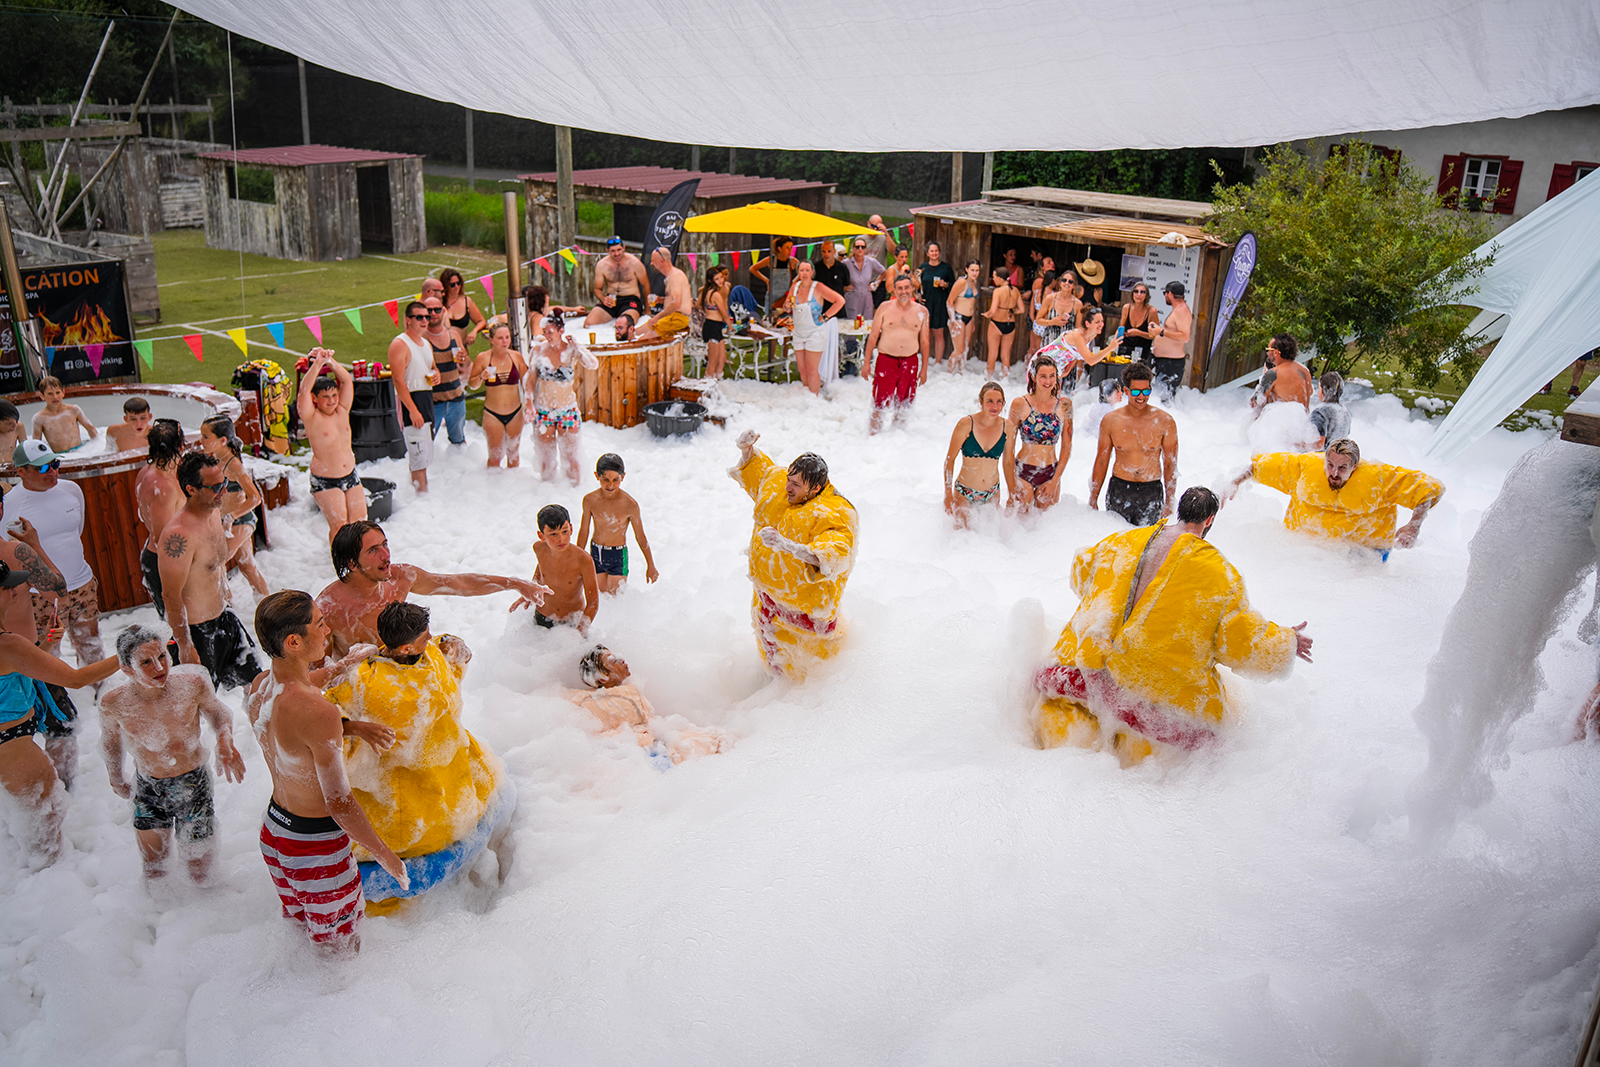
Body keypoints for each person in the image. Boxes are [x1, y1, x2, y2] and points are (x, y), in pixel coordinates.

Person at [1033, 487, 1312, 766]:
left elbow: (1082, 569)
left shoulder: (1124, 541)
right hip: (1152, 711)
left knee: (1065, 745)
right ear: (1209, 520)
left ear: (1179, 511)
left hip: (1078, 679)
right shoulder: (1218, 574)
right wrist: (1286, 642)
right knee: (1159, 758)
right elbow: (1242, 641)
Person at [325, 602, 513, 915]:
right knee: (421, 832)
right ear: (406, 647)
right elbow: (325, 716)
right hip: (416, 798)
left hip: (434, 768)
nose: (431, 639)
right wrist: (354, 727)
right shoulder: (371, 682)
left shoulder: (372, 675)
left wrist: (449, 643)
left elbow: (329, 708)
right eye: (426, 636)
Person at [247, 590, 407, 953]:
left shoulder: (262, 686)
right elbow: (340, 803)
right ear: (293, 642)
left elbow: (298, 703)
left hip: (275, 832)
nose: (327, 629)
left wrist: (343, 665)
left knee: (303, 930)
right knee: (339, 951)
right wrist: (385, 855)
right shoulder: (320, 713)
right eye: (319, 624)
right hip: (315, 847)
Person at [98, 625, 245, 885]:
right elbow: (110, 743)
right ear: (127, 668)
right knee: (155, 869)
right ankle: (162, 907)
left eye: (162, 656)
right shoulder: (114, 702)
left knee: (200, 873)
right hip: (148, 787)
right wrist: (115, 777)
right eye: (146, 662)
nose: (159, 667)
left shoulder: (191, 685)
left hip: (192, 784)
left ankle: (206, 905)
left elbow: (219, 713)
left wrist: (225, 740)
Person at [0, 560, 119, 864]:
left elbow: (14, 668)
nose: (17, 590)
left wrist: (42, 644)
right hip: (13, 747)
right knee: (45, 844)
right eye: (8, 586)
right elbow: (76, 679)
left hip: (10, 745)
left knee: (33, 827)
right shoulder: (8, 644)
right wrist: (130, 653)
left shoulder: (9, 645)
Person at [316, 519, 549, 659]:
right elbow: (315, 675)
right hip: (365, 686)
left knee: (457, 649)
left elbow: (459, 584)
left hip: (405, 666)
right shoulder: (329, 609)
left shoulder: (399, 577)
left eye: (385, 545)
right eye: (373, 550)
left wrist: (515, 583)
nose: (386, 555)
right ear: (352, 564)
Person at [732, 431, 857, 679]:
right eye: (789, 480)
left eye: (796, 485)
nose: (787, 487)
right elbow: (762, 475)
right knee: (770, 656)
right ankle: (772, 684)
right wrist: (746, 451)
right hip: (767, 601)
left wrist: (786, 545)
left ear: (816, 488)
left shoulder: (834, 513)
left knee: (807, 671)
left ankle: (807, 694)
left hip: (806, 616)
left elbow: (832, 556)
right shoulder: (781, 486)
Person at [1223, 438, 1444, 556]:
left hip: (1365, 557)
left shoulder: (1379, 477)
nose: (1334, 473)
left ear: (1355, 466)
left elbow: (1427, 488)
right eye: (1330, 465)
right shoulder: (1306, 467)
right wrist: (1233, 482)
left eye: (1342, 467)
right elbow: (1258, 466)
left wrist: (1413, 527)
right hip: (1303, 550)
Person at [158, 452, 263, 692]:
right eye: (216, 487)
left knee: (258, 687)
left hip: (225, 618)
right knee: (200, 703)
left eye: (224, 482)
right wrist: (184, 645)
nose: (224, 491)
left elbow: (215, 567)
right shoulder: (178, 535)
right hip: (197, 632)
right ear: (191, 490)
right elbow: (170, 596)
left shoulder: (214, 511)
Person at [7, 440, 105, 685]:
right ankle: (57, 702)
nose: (52, 471)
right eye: (42, 467)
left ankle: (99, 693)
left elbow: (76, 532)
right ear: (21, 471)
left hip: (82, 584)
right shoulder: (10, 506)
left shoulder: (71, 490)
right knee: (46, 655)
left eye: (55, 463)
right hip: (40, 595)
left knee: (91, 645)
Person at [569, 645, 726, 764]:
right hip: (638, 752)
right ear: (603, 677)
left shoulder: (626, 692)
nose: (622, 659)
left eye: (617, 656)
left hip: (646, 746)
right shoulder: (602, 701)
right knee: (716, 744)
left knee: (718, 739)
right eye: (613, 660)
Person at [1090, 363, 1179, 526]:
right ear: (1126, 390)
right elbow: (1102, 460)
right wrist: (1093, 497)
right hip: (1120, 489)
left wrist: (1170, 502)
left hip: (1151, 491)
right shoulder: (1111, 421)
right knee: (1116, 537)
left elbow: (1170, 463)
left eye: (1146, 391)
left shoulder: (1165, 421)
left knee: (1147, 540)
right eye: (1136, 392)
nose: (1141, 397)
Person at [296, 350, 366, 541]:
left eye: (334, 395)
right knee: (339, 527)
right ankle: (339, 560)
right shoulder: (311, 417)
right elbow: (304, 391)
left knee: (360, 524)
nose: (332, 400)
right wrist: (317, 364)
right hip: (326, 480)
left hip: (350, 475)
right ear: (315, 399)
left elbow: (347, 381)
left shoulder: (342, 410)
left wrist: (330, 360)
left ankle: (357, 558)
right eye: (326, 397)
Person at [200, 414, 268, 598]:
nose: (201, 441)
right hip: (228, 522)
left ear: (222, 440)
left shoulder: (234, 464)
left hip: (240, 522)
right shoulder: (215, 458)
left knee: (214, 566)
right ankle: (266, 604)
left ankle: (228, 609)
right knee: (247, 566)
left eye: (206, 437)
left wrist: (231, 517)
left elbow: (255, 498)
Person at [530, 316, 599, 485]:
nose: (547, 336)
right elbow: (530, 380)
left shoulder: (571, 350)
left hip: (567, 410)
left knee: (572, 458)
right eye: (544, 332)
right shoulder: (538, 350)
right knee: (546, 460)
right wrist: (529, 404)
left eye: (550, 332)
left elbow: (593, 364)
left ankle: (573, 492)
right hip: (544, 410)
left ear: (561, 330)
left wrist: (578, 346)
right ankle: (547, 492)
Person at [578, 453, 659, 595]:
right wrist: (576, 558)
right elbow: (584, 531)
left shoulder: (630, 505)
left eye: (616, 480)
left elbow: (640, 536)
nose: (611, 485)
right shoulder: (590, 500)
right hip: (596, 552)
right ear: (597, 476)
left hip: (618, 554)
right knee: (599, 597)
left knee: (615, 598)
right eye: (605, 480)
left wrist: (650, 565)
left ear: (623, 477)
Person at [864, 274, 930, 434]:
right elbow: (873, 336)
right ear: (894, 289)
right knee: (880, 400)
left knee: (905, 401)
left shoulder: (921, 311)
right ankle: (873, 434)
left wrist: (924, 369)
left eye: (907, 287)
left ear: (912, 288)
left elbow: (925, 342)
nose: (903, 291)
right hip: (886, 359)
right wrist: (866, 363)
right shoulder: (884, 308)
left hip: (910, 360)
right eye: (900, 288)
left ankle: (897, 434)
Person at [943, 381, 1017, 525]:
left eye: (999, 401)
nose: (995, 406)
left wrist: (1012, 495)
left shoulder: (1008, 426)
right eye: (990, 401)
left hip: (992, 493)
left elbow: (1008, 463)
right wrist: (947, 495)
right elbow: (950, 460)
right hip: (965, 492)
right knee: (963, 535)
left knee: (990, 535)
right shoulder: (966, 424)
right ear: (981, 402)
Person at [135, 419, 186, 616]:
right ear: (180, 446)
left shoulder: (145, 472)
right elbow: (163, 538)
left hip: (157, 559)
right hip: (166, 563)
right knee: (181, 625)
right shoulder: (163, 487)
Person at [1010, 354, 1072, 511]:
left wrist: (1055, 480)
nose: (1048, 381)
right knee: (1020, 521)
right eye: (1043, 376)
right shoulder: (1020, 403)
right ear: (1033, 377)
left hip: (1050, 473)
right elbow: (1008, 445)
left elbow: (1067, 447)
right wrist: (1012, 479)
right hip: (1023, 471)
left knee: (1046, 522)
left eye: (1052, 376)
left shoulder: (1064, 405)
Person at [387, 301, 437, 493]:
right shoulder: (400, 344)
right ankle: (420, 496)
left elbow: (432, 368)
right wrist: (413, 410)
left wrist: (437, 374)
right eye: (419, 317)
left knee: (425, 455)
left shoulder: (426, 343)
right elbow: (398, 380)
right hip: (412, 401)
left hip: (426, 399)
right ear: (408, 320)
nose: (425, 320)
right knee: (418, 456)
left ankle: (420, 494)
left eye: (427, 317)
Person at [466, 322, 530, 469]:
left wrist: (530, 404)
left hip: (515, 413)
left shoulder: (516, 357)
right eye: (500, 338)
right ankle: (493, 483)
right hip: (492, 414)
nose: (505, 341)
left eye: (507, 337)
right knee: (495, 458)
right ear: (491, 339)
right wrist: (481, 377)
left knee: (514, 457)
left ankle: (512, 483)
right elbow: (472, 385)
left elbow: (527, 384)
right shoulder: (483, 358)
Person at [531, 504, 598, 631]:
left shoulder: (583, 560)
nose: (561, 539)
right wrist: (531, 589)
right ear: (541, 536)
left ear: (571, 529)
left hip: (572, 622)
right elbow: (542, 568)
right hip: (542, 617)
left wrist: (579, 633)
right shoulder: (539, 549)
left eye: (565, 532)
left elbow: (593, 603)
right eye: (553, 534)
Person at [783, 260, 846, 395]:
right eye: (801, 270)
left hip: (815, 332)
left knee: (812, 369)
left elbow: (840, 300)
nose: (804, 273)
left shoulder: (818, 287)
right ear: (798, 272)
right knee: (802, 368)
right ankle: (807, 395)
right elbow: (786, 305)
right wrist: (787, 306)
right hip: (799, 332)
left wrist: (825, 316)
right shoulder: (795, 287)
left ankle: (814, 397)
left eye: (807, 270)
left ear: (812, 272)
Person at [423, 295, 468, 449]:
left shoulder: (454, 335)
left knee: (459, 443)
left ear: (443, 311)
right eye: (429, 310)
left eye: (437, 310)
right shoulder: (420, 339)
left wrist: (463, 358)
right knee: (425, 445)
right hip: (432, 402)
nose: (433, 313)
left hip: (456, 399)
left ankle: (459, 464)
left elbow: (464, 360)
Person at [585, 236, 651, 329]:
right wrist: (603, 299)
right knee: (589, 324)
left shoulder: (634, 262)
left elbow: (646, 285)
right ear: (607, 251)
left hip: (630, 300)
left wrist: (647, 310)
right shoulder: (602, 265)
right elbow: (597, 289)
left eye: (619, 250)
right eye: (613, 251)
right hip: (611, 300)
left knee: (624, 326)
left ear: (624, 248)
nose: (617, 253)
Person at [636, 247, 693, 340]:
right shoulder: (669, 276)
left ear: (661, 261)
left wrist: (656, 317)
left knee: (641, 340)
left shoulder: (675, 276)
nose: (651, 264)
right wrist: (660, 300)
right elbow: (675, 299)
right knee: (636, 332)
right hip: (672, 317)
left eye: (653, 261)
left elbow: (676, 304)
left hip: (677, 318)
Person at [30, 376, 97, 453]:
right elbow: (36, 445)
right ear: (42, 396)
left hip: (80, 451)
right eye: (50, 394)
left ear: (63, 393)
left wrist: (97, 447)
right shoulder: (39, 418)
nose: (55, 397)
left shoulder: (74, 410)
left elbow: (91, 430)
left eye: (58, 392)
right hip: (59, 455)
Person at [1148, 280, 1192, 395]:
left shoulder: (1182, 311)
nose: (1165, 296)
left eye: (1165, 293)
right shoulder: (1178, 310)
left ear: (1170, 294)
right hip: (1165, 361)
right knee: (1160, 397)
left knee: (1165, 399)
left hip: (1171, 363)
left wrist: (1161, 331)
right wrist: (1158, 330)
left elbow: (1185, 337)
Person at [1251, 333, 1313, 412]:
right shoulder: (1305, 370)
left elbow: (1254, 403)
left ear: (1276, 352)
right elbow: (1310, 393)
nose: (1267, 353)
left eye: (1268, 350)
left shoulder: (1273, 373)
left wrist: (1264, 377)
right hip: (1303, 418)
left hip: (1282, 418)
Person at [917, 242, 956, 368]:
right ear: (927, 253)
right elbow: (917, 285)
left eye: (936, 250)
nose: (934, 253)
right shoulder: (923, 268)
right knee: (925, 334)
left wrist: (945, 284)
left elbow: (954, 285)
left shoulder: (946, 268)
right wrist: (918, 297)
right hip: (926, 303)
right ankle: (925, 360)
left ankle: (938, 362)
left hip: (940, 303)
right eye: (932, 251)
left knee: (938, 333)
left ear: (939, 252)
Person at [982, 266, 1022, 378]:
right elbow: (1021, 309)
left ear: (1000, 278)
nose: (993, 280)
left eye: (994, 277)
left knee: (992, 354)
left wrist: (987, 314)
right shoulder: (1015, 290)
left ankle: (988, 377)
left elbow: (993, 310)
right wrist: (1011, 310)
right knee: (1006, 355)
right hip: (1010, 324)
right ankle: (1005, 378)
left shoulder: (998, 291)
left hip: (997, 323)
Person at [1064, 306, 1115, 391]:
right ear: (1087, 324)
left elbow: (1076, 353)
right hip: (1049, 362)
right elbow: (1090, 361)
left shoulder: (1092, 334)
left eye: (1102, 321)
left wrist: (1068, 370)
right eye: (1097, 322)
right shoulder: (1077, 335)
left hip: (1061, 368)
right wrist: (1110, 348)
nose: (1101, 324)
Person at [945, 260, 983, 372]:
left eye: (977, 270)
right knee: (959, 350)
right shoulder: (962, 282)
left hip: (969, 318)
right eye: (972, 270)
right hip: (958, 317)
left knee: (966, 349)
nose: (975, 273)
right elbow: (949, 301)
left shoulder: (974, 281)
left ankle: (962, 371)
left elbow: (972, 303)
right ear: (966, 269)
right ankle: (949, 373)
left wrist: (973, 320)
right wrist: (953, 320)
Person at [842, 237, 885, 327]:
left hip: (867, 296)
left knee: (867, 324)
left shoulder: (871, 261)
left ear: (866, 249)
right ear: (853, 248)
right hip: (852, 297)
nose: (860, 249)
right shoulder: (846, 263)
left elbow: (884, 272)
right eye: (857, 247)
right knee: (852, 324)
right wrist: (843, 288)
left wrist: (875, 284)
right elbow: (837, 277)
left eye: (862, 247)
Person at [438, 267, 487, 346]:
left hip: (461, 347)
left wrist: (474, 331)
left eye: (459, 283)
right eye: (452, 285)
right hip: (443, 348)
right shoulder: (438, 303)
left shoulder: (467, 301)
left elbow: (481, 321)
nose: (457, 286)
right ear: (445, 286)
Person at [698, 266, 731, 380]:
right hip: (712, 326)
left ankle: (718, 381)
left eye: (721, 277)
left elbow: (698, 305)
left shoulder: (706, 292)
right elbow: (724, 313)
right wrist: (730, 326)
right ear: (710, 281)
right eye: (717, 279)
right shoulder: (715, 294)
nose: (721, 280)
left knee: (722, 359)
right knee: (713, 360)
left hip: (715, 326)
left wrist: (708, 308)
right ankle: (707, 384)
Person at [750, 237, 799, 313]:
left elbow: (804, 271)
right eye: (787, 248)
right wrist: (766, 280)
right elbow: (752, 269)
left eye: (791, 247)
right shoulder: (770, 260)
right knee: (770, 318)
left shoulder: (792, 261)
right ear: (780, 249)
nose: (790, 250)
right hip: (772, 298)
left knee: (788, 319)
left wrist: (794, 282)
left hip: (787, 297)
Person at [1117, 282, 1159, 366]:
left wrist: (1138, 333)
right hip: (1126, 350)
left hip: (1143, 351)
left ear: (1147, 295)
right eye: (1136, 291)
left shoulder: (1151, 311)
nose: (1139, 295)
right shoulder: (1126, 308)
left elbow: (1155, 335)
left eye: (1142, 292)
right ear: (1132, 294)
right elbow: (1121, 330)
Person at [1309, 371, 1352, 449]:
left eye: (1319, 389)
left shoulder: (1320, 412)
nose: (1318, 393)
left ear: (1325, 390)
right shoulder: (1345, 411)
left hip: (1322, 456)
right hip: (1338, 454)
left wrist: (1296, 444)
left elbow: (1318, 444)